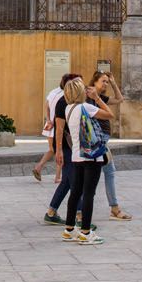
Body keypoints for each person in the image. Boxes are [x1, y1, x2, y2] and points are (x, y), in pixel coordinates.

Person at [62, 76, 112, 244]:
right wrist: (97, 98)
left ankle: (69, 229)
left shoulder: (68, 109)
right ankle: (85, 231)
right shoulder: (86, 107)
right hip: (92, 156)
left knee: (75, 192)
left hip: (77, 156)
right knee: (89, 194)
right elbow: (110, 115)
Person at [42, 73, 84, 225]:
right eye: (78, 83)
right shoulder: (62, 103)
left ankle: (51, 212)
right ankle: (80, 217)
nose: (82, 86)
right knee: (75, 181)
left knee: (67, 180)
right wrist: (58, 151)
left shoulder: (75, 102)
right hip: (65, 146)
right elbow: (59, 129)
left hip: (72, 145)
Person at [89, 71, 132, 221]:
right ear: (94, 82)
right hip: (97, 142)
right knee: (103, 174)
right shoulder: (89, 96)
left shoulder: (101, 97)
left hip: (102, 141)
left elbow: (120, 99)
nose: (105, 84)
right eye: (103, 81)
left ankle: (113, 208)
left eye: (107, 82)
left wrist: (114, 83)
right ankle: (113, 208)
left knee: (107, 173)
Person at [33, 74, 73, 183]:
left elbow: (46, 105)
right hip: (58, 126)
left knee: (52, 149)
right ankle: (58, 177)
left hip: (50, 126)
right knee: (61, 151)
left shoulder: (53, 92)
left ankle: (38, 167)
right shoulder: (66, 95)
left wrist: (48, 119)